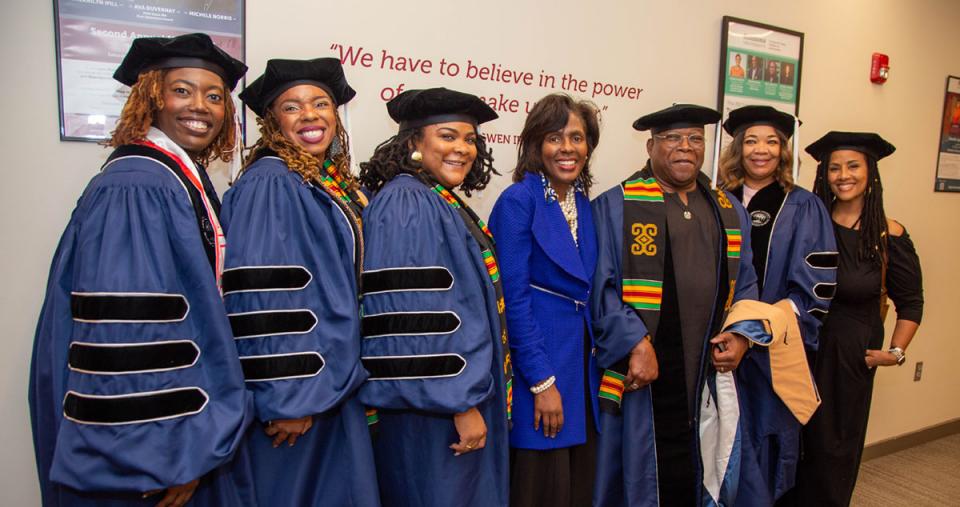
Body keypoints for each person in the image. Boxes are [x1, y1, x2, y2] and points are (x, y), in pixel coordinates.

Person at [29, 33, 254, 506]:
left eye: (214, 96)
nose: (201, 106)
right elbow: (131, 334)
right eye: (182, 90)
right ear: (152, 97)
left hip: (174, 427)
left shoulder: (175, 174)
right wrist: (168, 455)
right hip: (142, 449)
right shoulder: (139, 184)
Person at [591, 104, 774, 506]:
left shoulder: (727, 209)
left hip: (708, 373)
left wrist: (743, 337)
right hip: (646, 370)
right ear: (651, 144)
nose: (685, 148)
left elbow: (746, 282)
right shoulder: (617, 205)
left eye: (695, 139)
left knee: (707, 461)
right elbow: (600, 287)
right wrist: (636, 342)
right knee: (644, 472)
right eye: (673, 139)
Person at [222, 58, 379, 506]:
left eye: (321, 103)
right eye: (292, 107)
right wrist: (288, 397)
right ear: (273, 121)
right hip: (299, 401)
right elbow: (265, 296)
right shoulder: (272, 181)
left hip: (330, 386)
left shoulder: (320, 179)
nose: (310, 115)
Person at [356, 88, 511, 507]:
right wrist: (459, 404)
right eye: (448, 136)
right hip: (435, 413)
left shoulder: (436, 198)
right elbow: (412, 319)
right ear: (413, 143)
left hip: (450, 401)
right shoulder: (407, 201)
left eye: (469, 139)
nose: (462, 148)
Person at [792, 132, 923, 506]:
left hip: (849, 358)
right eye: (834, 167)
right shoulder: (810, 225)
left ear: (871, 172)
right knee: (794, 444)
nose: (842, 175)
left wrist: (895, 352)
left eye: (853, 166)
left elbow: (911, 301)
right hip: (802, 350)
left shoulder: (888, 235)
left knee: (833, 450)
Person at [716, 105, 837, 504]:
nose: (760, 150)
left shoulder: (803, 206)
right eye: (750, 140)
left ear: (784, 151)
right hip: (714, 346)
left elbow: (814, 290)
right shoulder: (715, 200)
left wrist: (751, 333)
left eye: (771, 142)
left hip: (771, 353)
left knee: (761, 447)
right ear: (738, 148)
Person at [488, 94, 601, 507]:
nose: (567, 148)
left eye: (577, 137)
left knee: (575, 488)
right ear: (536, 144)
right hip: (543, 371)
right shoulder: (519, 201)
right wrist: (541, 382)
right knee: (541, 488)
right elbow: (512, 301)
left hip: (581, 371)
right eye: (555, 138)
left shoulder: (583, 204)